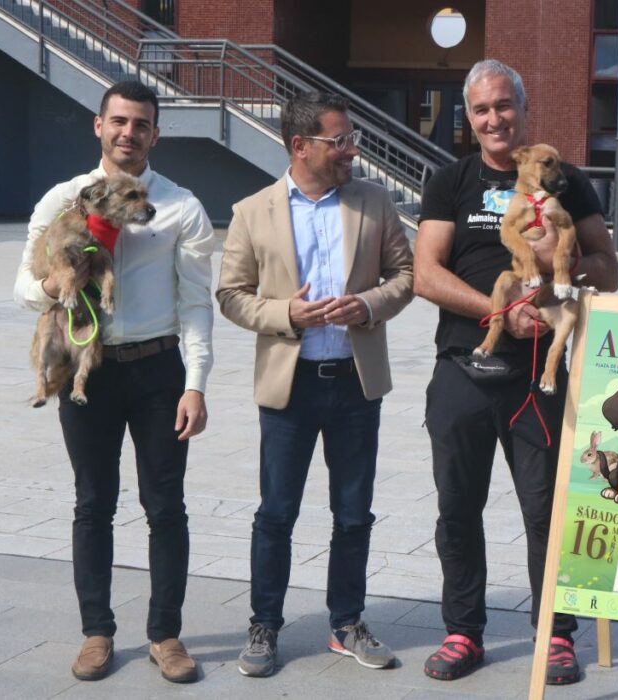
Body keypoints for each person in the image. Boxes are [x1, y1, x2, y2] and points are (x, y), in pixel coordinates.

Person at [413, 59, 618, 685]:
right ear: (469, 117)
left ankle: (555, 633)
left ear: (523, 111)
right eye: (481, 109)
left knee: (546, 510)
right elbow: (426, 273)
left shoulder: (568, 180)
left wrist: (565, 273)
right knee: (457, 506)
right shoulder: (450, 181)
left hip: (539, 373)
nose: (494, 118)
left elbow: (608, 268)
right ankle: (462, 630)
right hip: (464, 362)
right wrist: (501, 311)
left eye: (504, 105)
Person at [14, 81, 214, 684]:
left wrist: (196, 383)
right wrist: (54, 285)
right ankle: (96, 633)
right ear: (98, 126)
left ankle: (166, 634)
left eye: (142, 124)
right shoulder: (63, 199)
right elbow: (23, 287)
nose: (130, 133)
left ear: (156, 134)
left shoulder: (180, 206)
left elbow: (196, 304)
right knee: (93, 503)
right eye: (119, 121)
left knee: (166, 506)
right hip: (89, 368)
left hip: (158, 371)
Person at [216, 91, 414, 678]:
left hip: (355, 383)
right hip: (290, 387)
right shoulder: (253, 211)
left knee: (353, 513)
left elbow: (405, 276)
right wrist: (286, 314)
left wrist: (368, 305)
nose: (351, 150)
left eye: (353, 139)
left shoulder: (374, 201)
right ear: (300, 146)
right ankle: (264, 625)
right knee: (276, 512)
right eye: (340, 141)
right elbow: (231, 294)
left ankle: (346, 622)